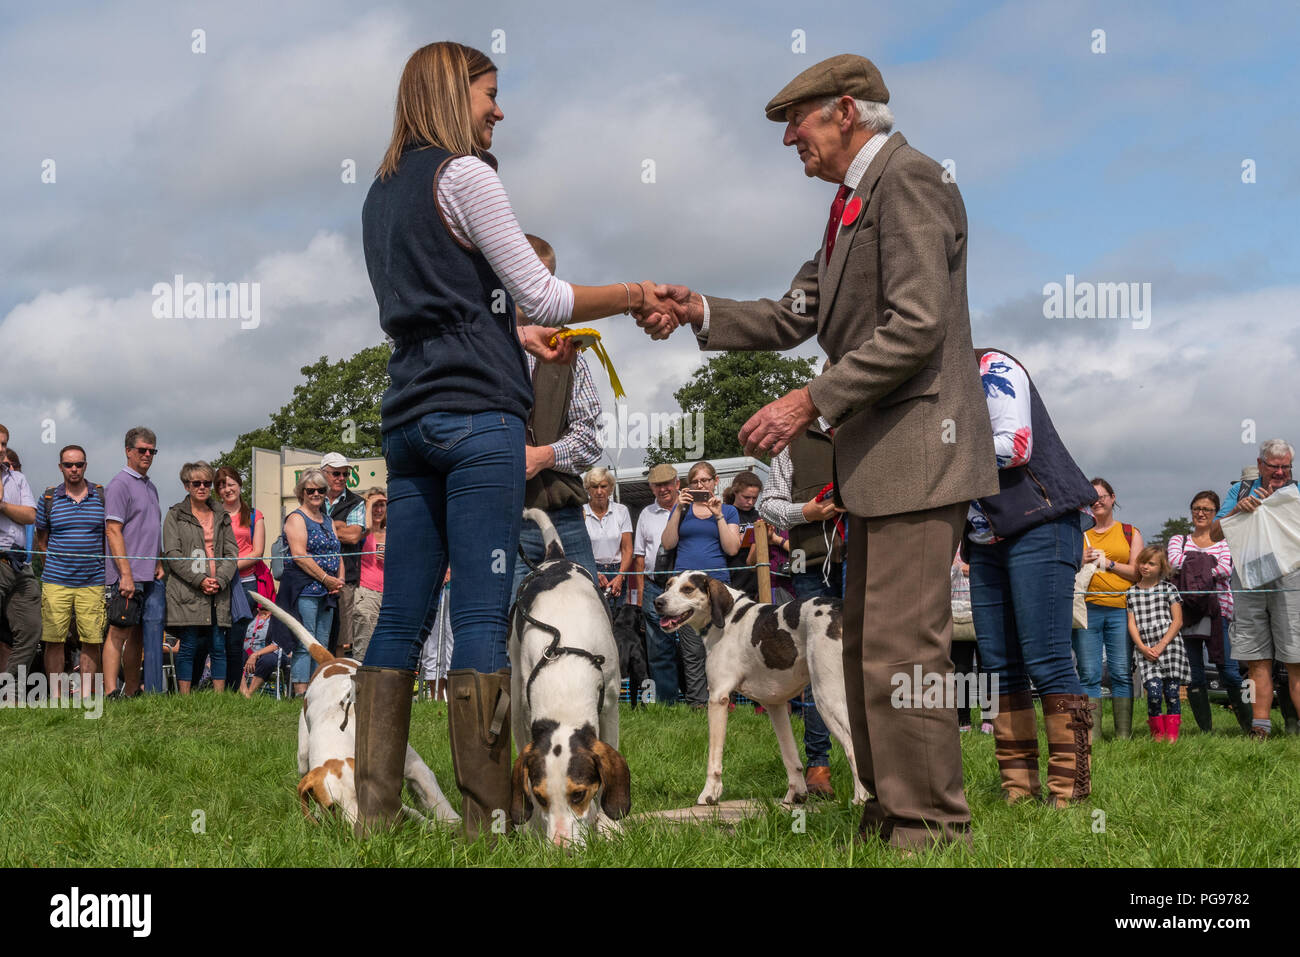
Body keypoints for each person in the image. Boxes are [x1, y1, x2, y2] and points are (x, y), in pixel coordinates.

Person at [643, 54, 999, 850]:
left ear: (845, 111)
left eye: (795, 122)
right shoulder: (849, 205)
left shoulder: (910, 180)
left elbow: (917, 325)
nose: (788, 142)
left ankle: (934, 828)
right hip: (878, 465)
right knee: (870, 649)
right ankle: (887, 814)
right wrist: (697, 308)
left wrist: (813, 397)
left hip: (918, 456)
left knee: (904, 650)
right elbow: (790, 313)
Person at [356, 40, 676, 836]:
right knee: (477, 614)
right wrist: (634, 291)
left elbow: (443, 306)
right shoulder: (466, 175)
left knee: (399, 616)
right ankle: (484, 818)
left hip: (408, 418)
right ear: (449, 93)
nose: (499, 110)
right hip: (478, 422)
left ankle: (374, 817)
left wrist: (513, 337)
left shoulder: (379, 194)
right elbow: (541, 288)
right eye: (489, 94)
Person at [964, 349, 1098, 806]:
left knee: (1048, 660)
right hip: (985, 541)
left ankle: (1071, 791)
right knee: (998, 666)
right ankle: (1019, 791)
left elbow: (1015, 446)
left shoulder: (991, 367)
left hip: (1039, 524)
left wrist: (934, 455)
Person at [511, 234, 603, 601]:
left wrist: (543, 456)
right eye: (523, 280)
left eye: (543, 283)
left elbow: (590, 438)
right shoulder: (476, 346)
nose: (533, 292)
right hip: (502, 521)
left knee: (589, 620)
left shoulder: (569, 349)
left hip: (563, 516)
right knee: (507, 630)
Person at [759, 425, 848, 797]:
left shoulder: (871, 419)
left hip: (869, 560)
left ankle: (880, 759)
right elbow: (769, 503)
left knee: (872, 657)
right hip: (812, 564)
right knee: (817, 666)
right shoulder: (792, 438)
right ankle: (818, 763)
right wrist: (805, 512)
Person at [1210, 438, 1300, 738]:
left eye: (1286, 467)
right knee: (1256, 657)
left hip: (1291, 581)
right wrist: (1238, 510)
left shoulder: (1297, 491)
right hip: (1248, 580)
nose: (1280, 473)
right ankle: (1260, 730)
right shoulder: (1240, 490)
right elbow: (1213, 533)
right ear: (1260, 464)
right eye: (1274, 467)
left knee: (1296, 657)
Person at [660, 460, 741, 708]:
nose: (700, 485)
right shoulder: (681, 510)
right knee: (693, 649)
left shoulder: (728, 511)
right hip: (685, 589)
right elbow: (668, 543)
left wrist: (717, 516)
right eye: (695, 481)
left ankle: (725, 699)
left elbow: (732, 547)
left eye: (705, 480)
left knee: (724, 647)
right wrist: (676, 510)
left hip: (718, 587)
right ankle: (697, 703)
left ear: (715, 482)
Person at [1167, 490, 1245, 733]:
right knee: (1194, 673)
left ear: (1215, 514)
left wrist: (1192, 566)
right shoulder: (1177, 539)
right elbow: (1173, 564)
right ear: (1191, 511)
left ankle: (1249, 726)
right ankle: (1206, 731)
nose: (1201, 513)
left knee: (1229, 671)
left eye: (1207, 510)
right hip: (1187, 611)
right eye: (1197, 508)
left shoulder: (1225, 541)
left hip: (1219, 611)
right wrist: (1206, 566)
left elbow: (1225, 569)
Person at [33, 445, 106, 699]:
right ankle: (55, 695)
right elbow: (42, 539)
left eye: (78, 464)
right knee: (53, 640)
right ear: (60, 467)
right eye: (68, 465)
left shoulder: (101, 495)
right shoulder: (49, 498)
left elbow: (108, 537)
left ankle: (86, 695)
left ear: (85, 465)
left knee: (92, 639)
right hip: (56, 580)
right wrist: (52, 565)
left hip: (93, 581)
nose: (73, 469)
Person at [1073, 478, 1144, 739]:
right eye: (1093, 497)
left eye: (1103, 496)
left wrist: (1108, 563)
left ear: (1113, 498)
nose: (1098, 501)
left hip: (1121, 609)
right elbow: (1065, 566)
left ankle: (1123, 736)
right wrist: (1081, 558)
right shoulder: (1079, 533)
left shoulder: (1130, 532)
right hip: (1086, 609)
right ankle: (1092, 736)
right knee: (1089, 672)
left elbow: (1138, 573)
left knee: (1121, 673)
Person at [162, 462, 237, 694]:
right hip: (187, 591)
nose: (202, 487)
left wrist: (220, 580)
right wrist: (200, 580)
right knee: (188, 646)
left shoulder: (221, 515)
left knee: (218, 646)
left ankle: (219, 698)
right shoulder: (175, 514)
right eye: (197, 483)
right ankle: (184, 698)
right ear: (187, 486)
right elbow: (172, 555)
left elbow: (231, 553)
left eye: (206, 483)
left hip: (219, 591)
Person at [103, 427, 167, 698]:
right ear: (128, 451)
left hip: (149, 573)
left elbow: (150, 528)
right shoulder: (120, 484)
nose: (148, 454)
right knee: (119, 631)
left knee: (138, 636)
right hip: (126, 574)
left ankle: (131, 691)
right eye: (142, 449)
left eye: (152, 450)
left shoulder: (150, 486)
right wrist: (126, 574)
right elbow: (113, 530)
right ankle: (110, 692)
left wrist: (159, 559)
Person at [269, 468, 342, 696]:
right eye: (311, 490)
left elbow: (338, 552)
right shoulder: (296, 518)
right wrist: (325, 578)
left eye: (321, 490)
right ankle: (301, 692)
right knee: (305, 642)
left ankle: (318, 691)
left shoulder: (328, 520)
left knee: (321, 643)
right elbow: (300, 555)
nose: (316, 494)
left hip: (328, 591)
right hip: (305, 590)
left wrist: (339, 579)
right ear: (302, 492)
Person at [633, 464, 683, 704]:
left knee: (692, 647)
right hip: (656, 585)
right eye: (658, 485)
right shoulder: (645, 514)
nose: (663, 488)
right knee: (659, 649)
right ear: (652, 488)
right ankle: (668, 703)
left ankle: (699, 700)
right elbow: (639, 556)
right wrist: (642, 594)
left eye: (667, 483)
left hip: (685, 589)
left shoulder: (691, 509)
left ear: (678, 483)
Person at [214, 466, 268, 688]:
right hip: (218, 583)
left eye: (230, 483)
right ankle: (218, 687)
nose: (227, 489)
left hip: (245, 583)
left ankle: (234, 686)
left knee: (236, 639)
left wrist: (229, 567)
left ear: (239, 484)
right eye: (221, 485)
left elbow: (257, 553)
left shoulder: (255, 515)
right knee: (219, 639)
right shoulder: (214, 514)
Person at [1126, 545, 1186, 741]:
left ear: (1161, 567)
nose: (1145, 567)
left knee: (1172, 693)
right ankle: (1157, 736)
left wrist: (1161, 645)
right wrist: (1142, 648)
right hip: (1145, 648)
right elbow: (1132, 624)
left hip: (1169, 647)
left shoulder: (1169, 589)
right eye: (1142, 562)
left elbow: (1177, 621)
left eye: (1151, 564)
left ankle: (1172, 738)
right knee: (1153, 692)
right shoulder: (1131, 592)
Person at [0, 425, 40, 678]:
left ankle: (9, 690)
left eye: (4, 444)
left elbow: (30, 515)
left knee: (31, 629)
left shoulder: (18, 479)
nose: (1, 449)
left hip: (19, 563)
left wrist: (3, 505)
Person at [320, 452, 365, 656]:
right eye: (336, 473)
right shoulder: (313, 496)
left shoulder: (356, 501)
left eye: (345, 474)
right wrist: (338, 526)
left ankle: (337, 680)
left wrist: (320, 529)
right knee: (316, 634)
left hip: (344, 578)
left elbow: (354, 536)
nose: (341, 478)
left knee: (342, 638)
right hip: (313, 576)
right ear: (324, 473)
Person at [583, 467, 633, 620]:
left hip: (617, 571)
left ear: (611, 488)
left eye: (603, 486)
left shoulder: (621, 511)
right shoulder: (581, 512)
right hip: (590, 570)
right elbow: (580, 549)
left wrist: (620, 576)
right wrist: (594, 572)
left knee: (617, 621)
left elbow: (627, 549)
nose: (599, 491)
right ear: (588, 489)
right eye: (594, 487)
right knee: (593, 619)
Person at [351, 488, 387, 662]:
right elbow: (364, 529)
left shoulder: (391, 532)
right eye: (374, 505)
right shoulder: (363, 533)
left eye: (382, 505)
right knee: (364, 646)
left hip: (389, 594)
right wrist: (368, 504)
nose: (379, 510)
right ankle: (360, 687)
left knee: (385, 646)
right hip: (366, 592)